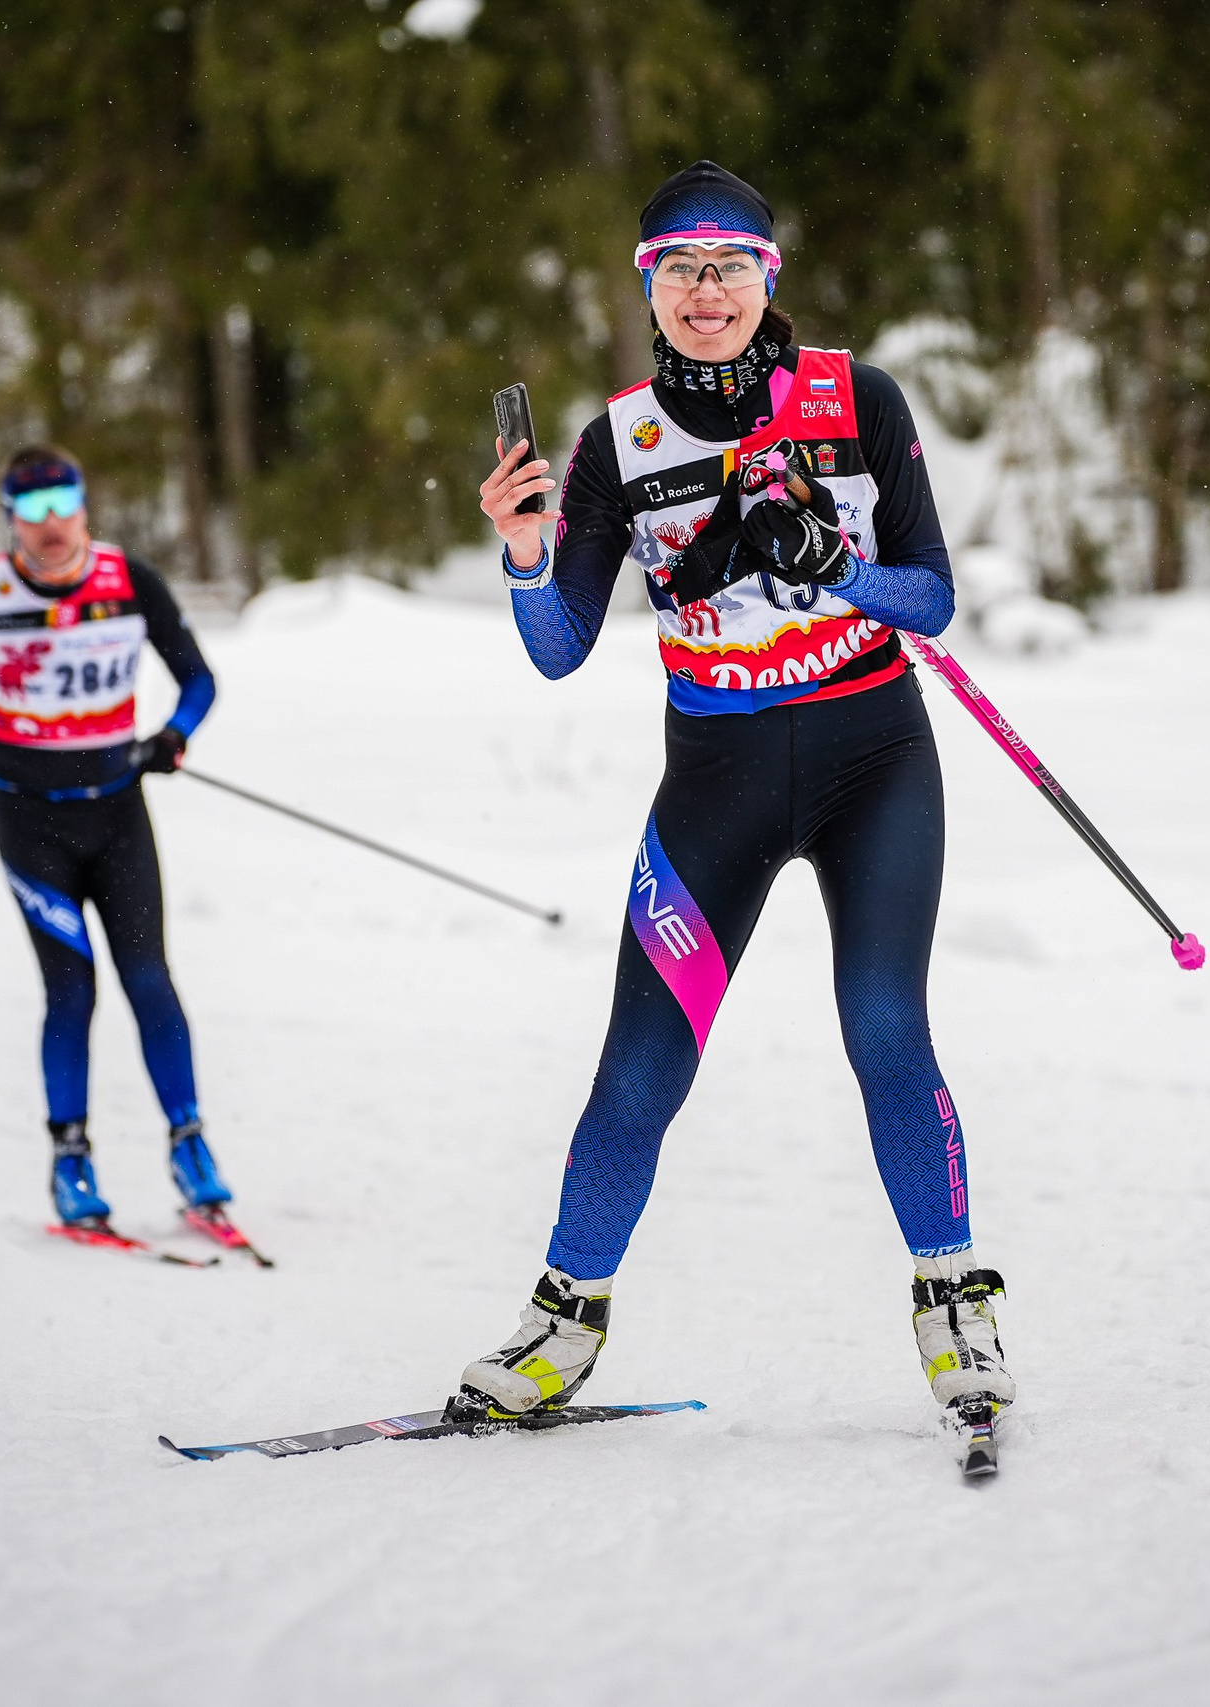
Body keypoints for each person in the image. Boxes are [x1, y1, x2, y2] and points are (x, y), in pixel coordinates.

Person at [461, 161, 1013, 1432]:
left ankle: (954, 1304)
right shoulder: (615, 442)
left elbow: (929, 594)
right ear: (648, 287)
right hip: (715, 781)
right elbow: (558, 648)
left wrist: (838, 572)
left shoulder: (854, 398)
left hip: (872, 760)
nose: (706, 292)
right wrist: (527, 549)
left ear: (768, 278)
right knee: (639, 1067)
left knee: (884, 1027)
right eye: (679, 270)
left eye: (730, 266)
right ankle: (562, 1324)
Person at [0, 447, 237, 1240]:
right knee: (71, 991)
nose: (49, 525)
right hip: (32, 827)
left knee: (149, 977)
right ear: (9, 519)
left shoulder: (128, 580)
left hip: (118, 818)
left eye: (62, 501)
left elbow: (199, 680)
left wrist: (172, 736)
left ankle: (190, 1145)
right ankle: (70, 1160)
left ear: (84, 504)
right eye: (29, 510)